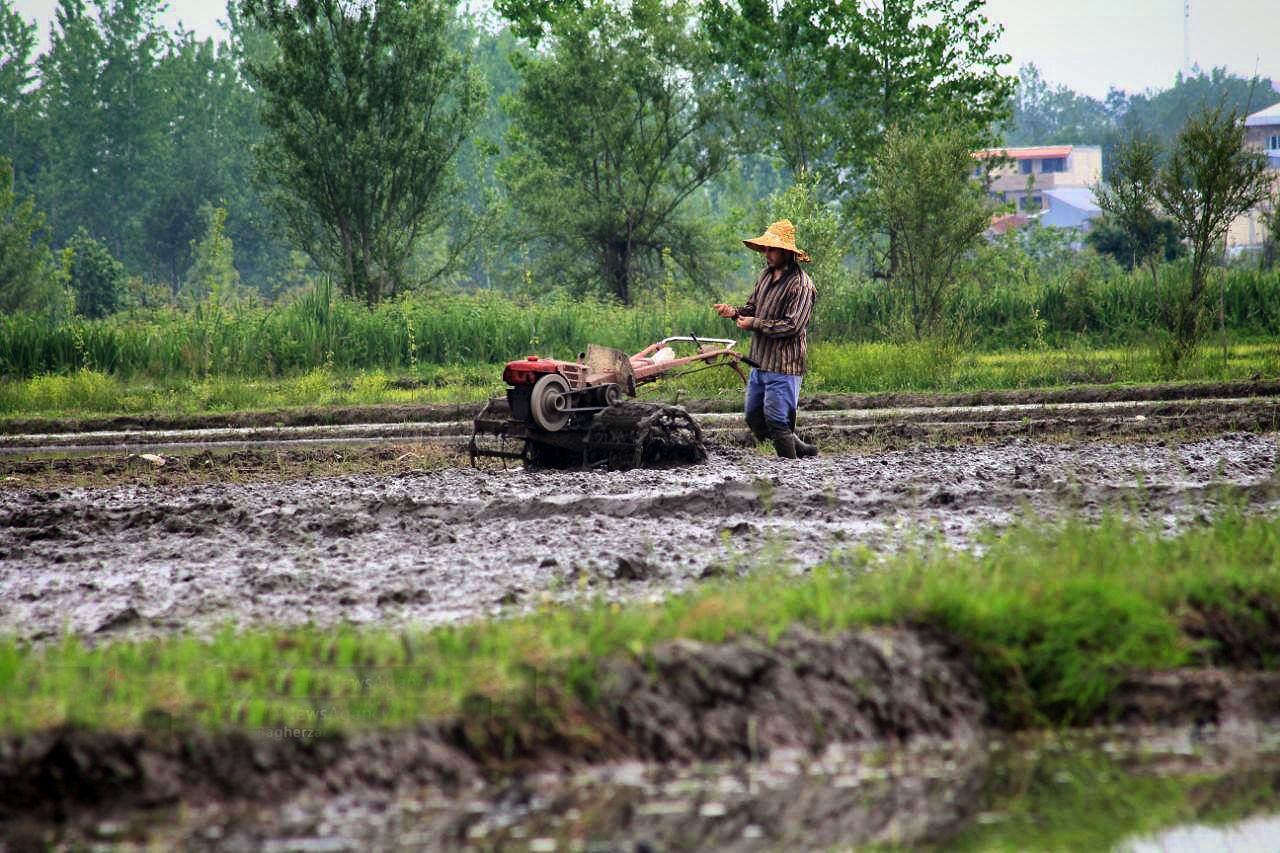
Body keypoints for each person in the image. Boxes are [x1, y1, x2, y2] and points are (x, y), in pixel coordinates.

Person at [714, 219, 818, 459]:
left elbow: (793, 325)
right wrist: (734, 312)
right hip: (760, 361)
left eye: (772, 249)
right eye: (766, 249)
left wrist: (755, 324)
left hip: (784, 365)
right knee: (753, 417)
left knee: (776, 419)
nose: (767, 254)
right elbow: (752, 308)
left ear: (787, 252)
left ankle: (789, 467)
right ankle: (801, 449)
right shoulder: (765, 275)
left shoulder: (802, 285)